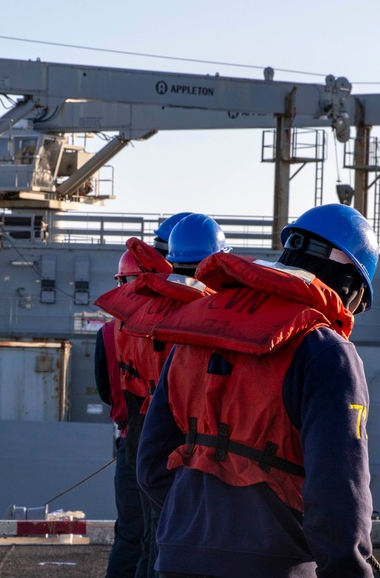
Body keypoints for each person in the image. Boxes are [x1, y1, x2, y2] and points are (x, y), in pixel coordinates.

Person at [137, 203, 379, 577]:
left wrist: (196, 526)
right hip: (274, 565)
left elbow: (151, 463)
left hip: (178, 558)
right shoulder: (326, 351)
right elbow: (338, 492)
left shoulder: (196, 330)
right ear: (349, 285)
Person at [98, 214, 231, 578]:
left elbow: (110, 390)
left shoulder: (124, 321)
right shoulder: (207, 315)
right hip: (188, 443)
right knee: (171, 540)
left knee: (137, 536)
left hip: (139, 437)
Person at [95, 240, 172, 578]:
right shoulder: (177, 327)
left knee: (130, 535)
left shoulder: (109, 333)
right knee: (161, 537)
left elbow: (105, 392)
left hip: (130, 443)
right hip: (171, 448)